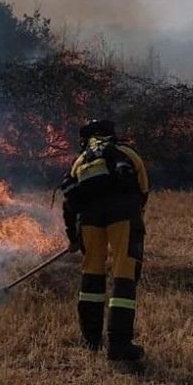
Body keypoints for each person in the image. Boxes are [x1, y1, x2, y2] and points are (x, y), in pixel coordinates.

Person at [61, 119, 149, 361]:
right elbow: (143, 191)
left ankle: (91, 339)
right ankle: (119, 346)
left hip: (90, 221)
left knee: (92, 274)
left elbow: (69, 205)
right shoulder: (126, 153)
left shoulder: (80, 162)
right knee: (123, 275)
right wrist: (133, 215)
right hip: (123, 217)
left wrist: (73, 238)